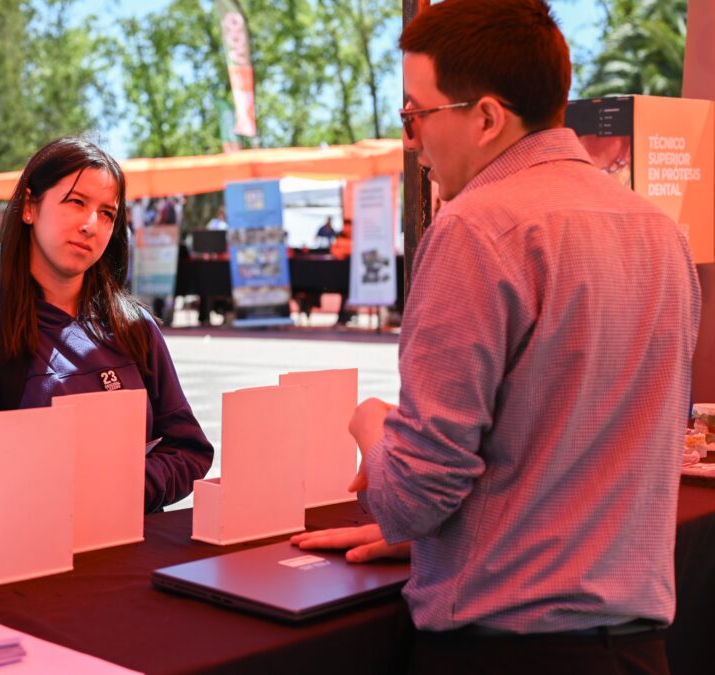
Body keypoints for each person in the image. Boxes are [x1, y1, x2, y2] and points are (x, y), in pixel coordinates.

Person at [292, 2, 700, 673]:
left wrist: (370, 424)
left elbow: (414, 493)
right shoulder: (658, 231)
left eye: (414, 115)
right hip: (637, 646)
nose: (413, 139)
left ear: (484, 117)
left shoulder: (475, 230)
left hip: (505, 651)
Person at [0, 137, 213, 528]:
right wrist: (41, 500)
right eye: (76, 202)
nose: (90, 225)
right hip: (33, 566)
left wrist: (129, 488)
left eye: (107, 213)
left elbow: (189, 449)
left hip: (135, 559)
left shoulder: (134, 327)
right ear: (30, 206)